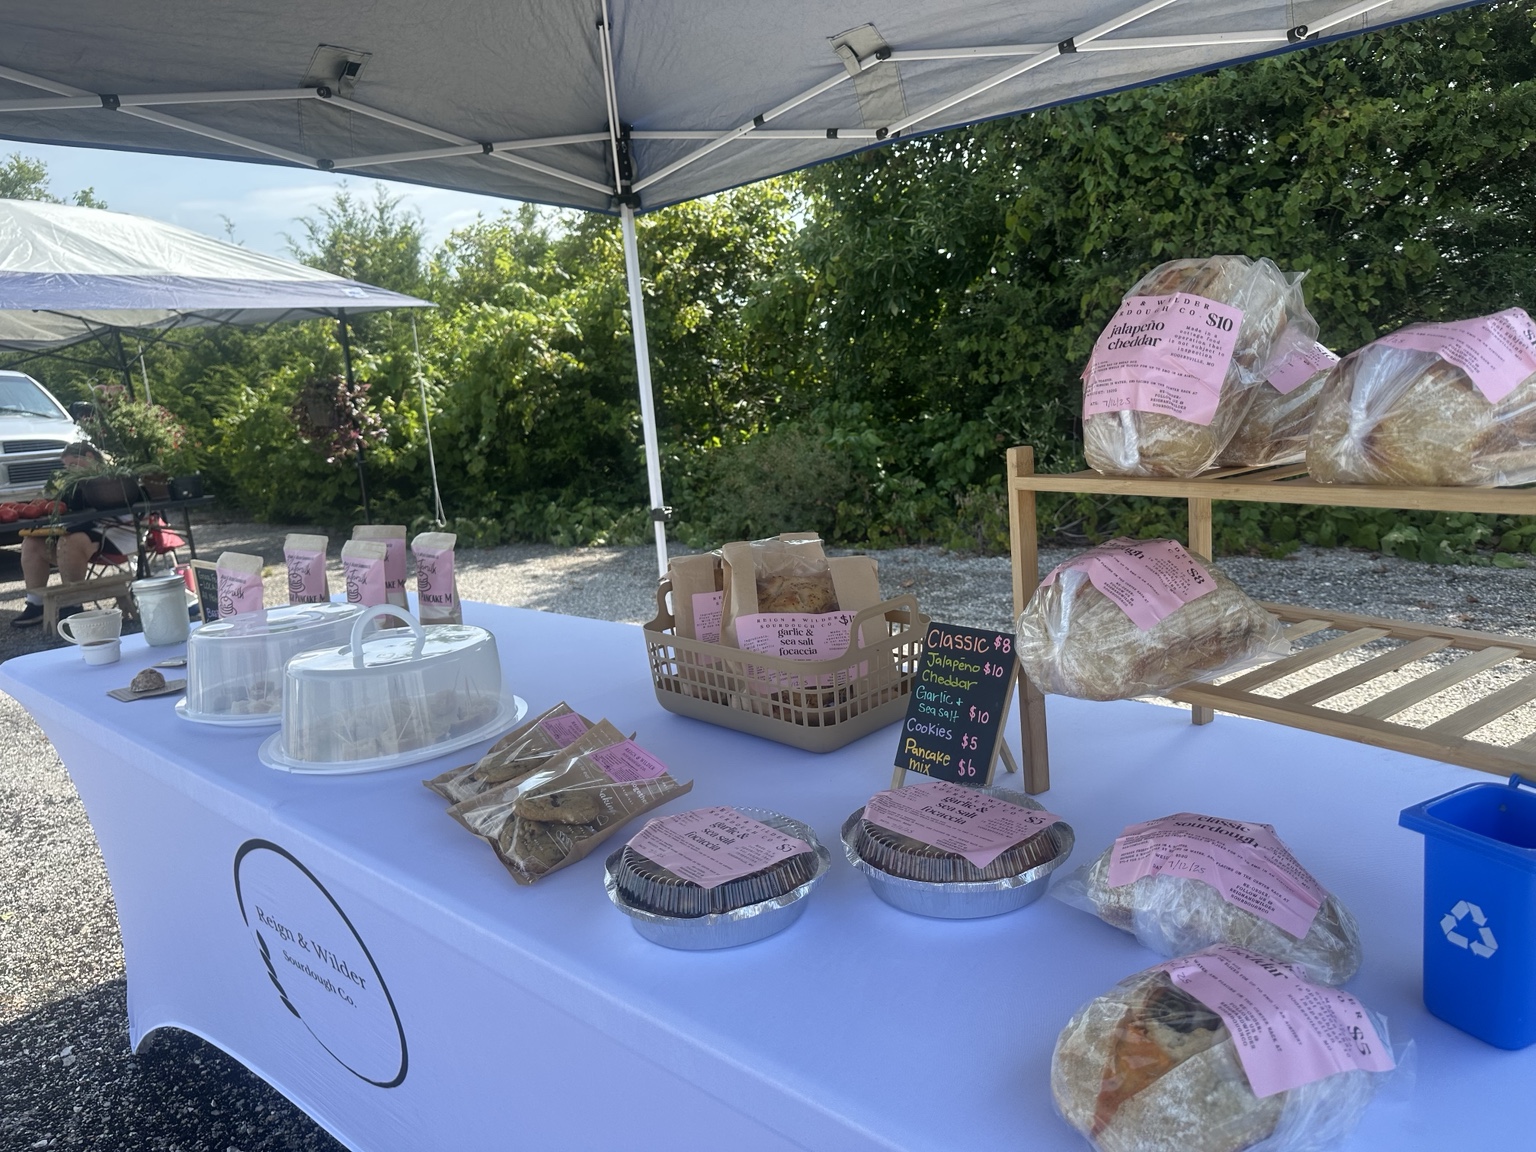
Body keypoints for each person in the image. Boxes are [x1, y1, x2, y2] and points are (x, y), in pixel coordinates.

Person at [12, 443, 137, 628]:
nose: (70, 470)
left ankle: (72, 603)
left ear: (90, 456)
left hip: (119, 531)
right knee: (32, 542)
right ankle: (35, 602)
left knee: (70, 540)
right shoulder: (74, 484)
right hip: (88, 529)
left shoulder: (114, 478)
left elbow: (126, 512)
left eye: (74, 464)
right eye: (67, 466)